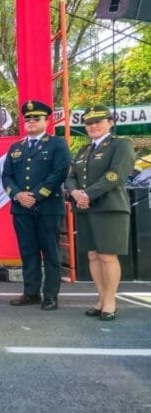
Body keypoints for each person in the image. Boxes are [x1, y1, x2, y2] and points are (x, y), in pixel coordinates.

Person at [65, 105, 134, 321]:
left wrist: (87, 194)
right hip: (85, 208)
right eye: (89, 123)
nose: (93, 126)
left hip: (109, 208)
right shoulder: (84, 150)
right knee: (93, 255)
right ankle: (101, 298)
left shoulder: (120, 144)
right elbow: (71, 176)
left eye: (99, 121)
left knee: (107, 255)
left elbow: (116, 174)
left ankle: (111, 301)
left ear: (110, 122)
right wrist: (75, 192)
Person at [3, 100, 71, 311]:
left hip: (48, 207)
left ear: (46, 121)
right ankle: (31, 293)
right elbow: (7, 177)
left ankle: (50, 296)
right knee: (28, 252)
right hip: (21, 207)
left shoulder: (57, 144)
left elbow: (59, 172)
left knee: (50, 252)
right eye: (28, 119)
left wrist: (36, 195)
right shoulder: (16, 147)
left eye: (36, 118)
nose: (31, 121)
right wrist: (17, 195)